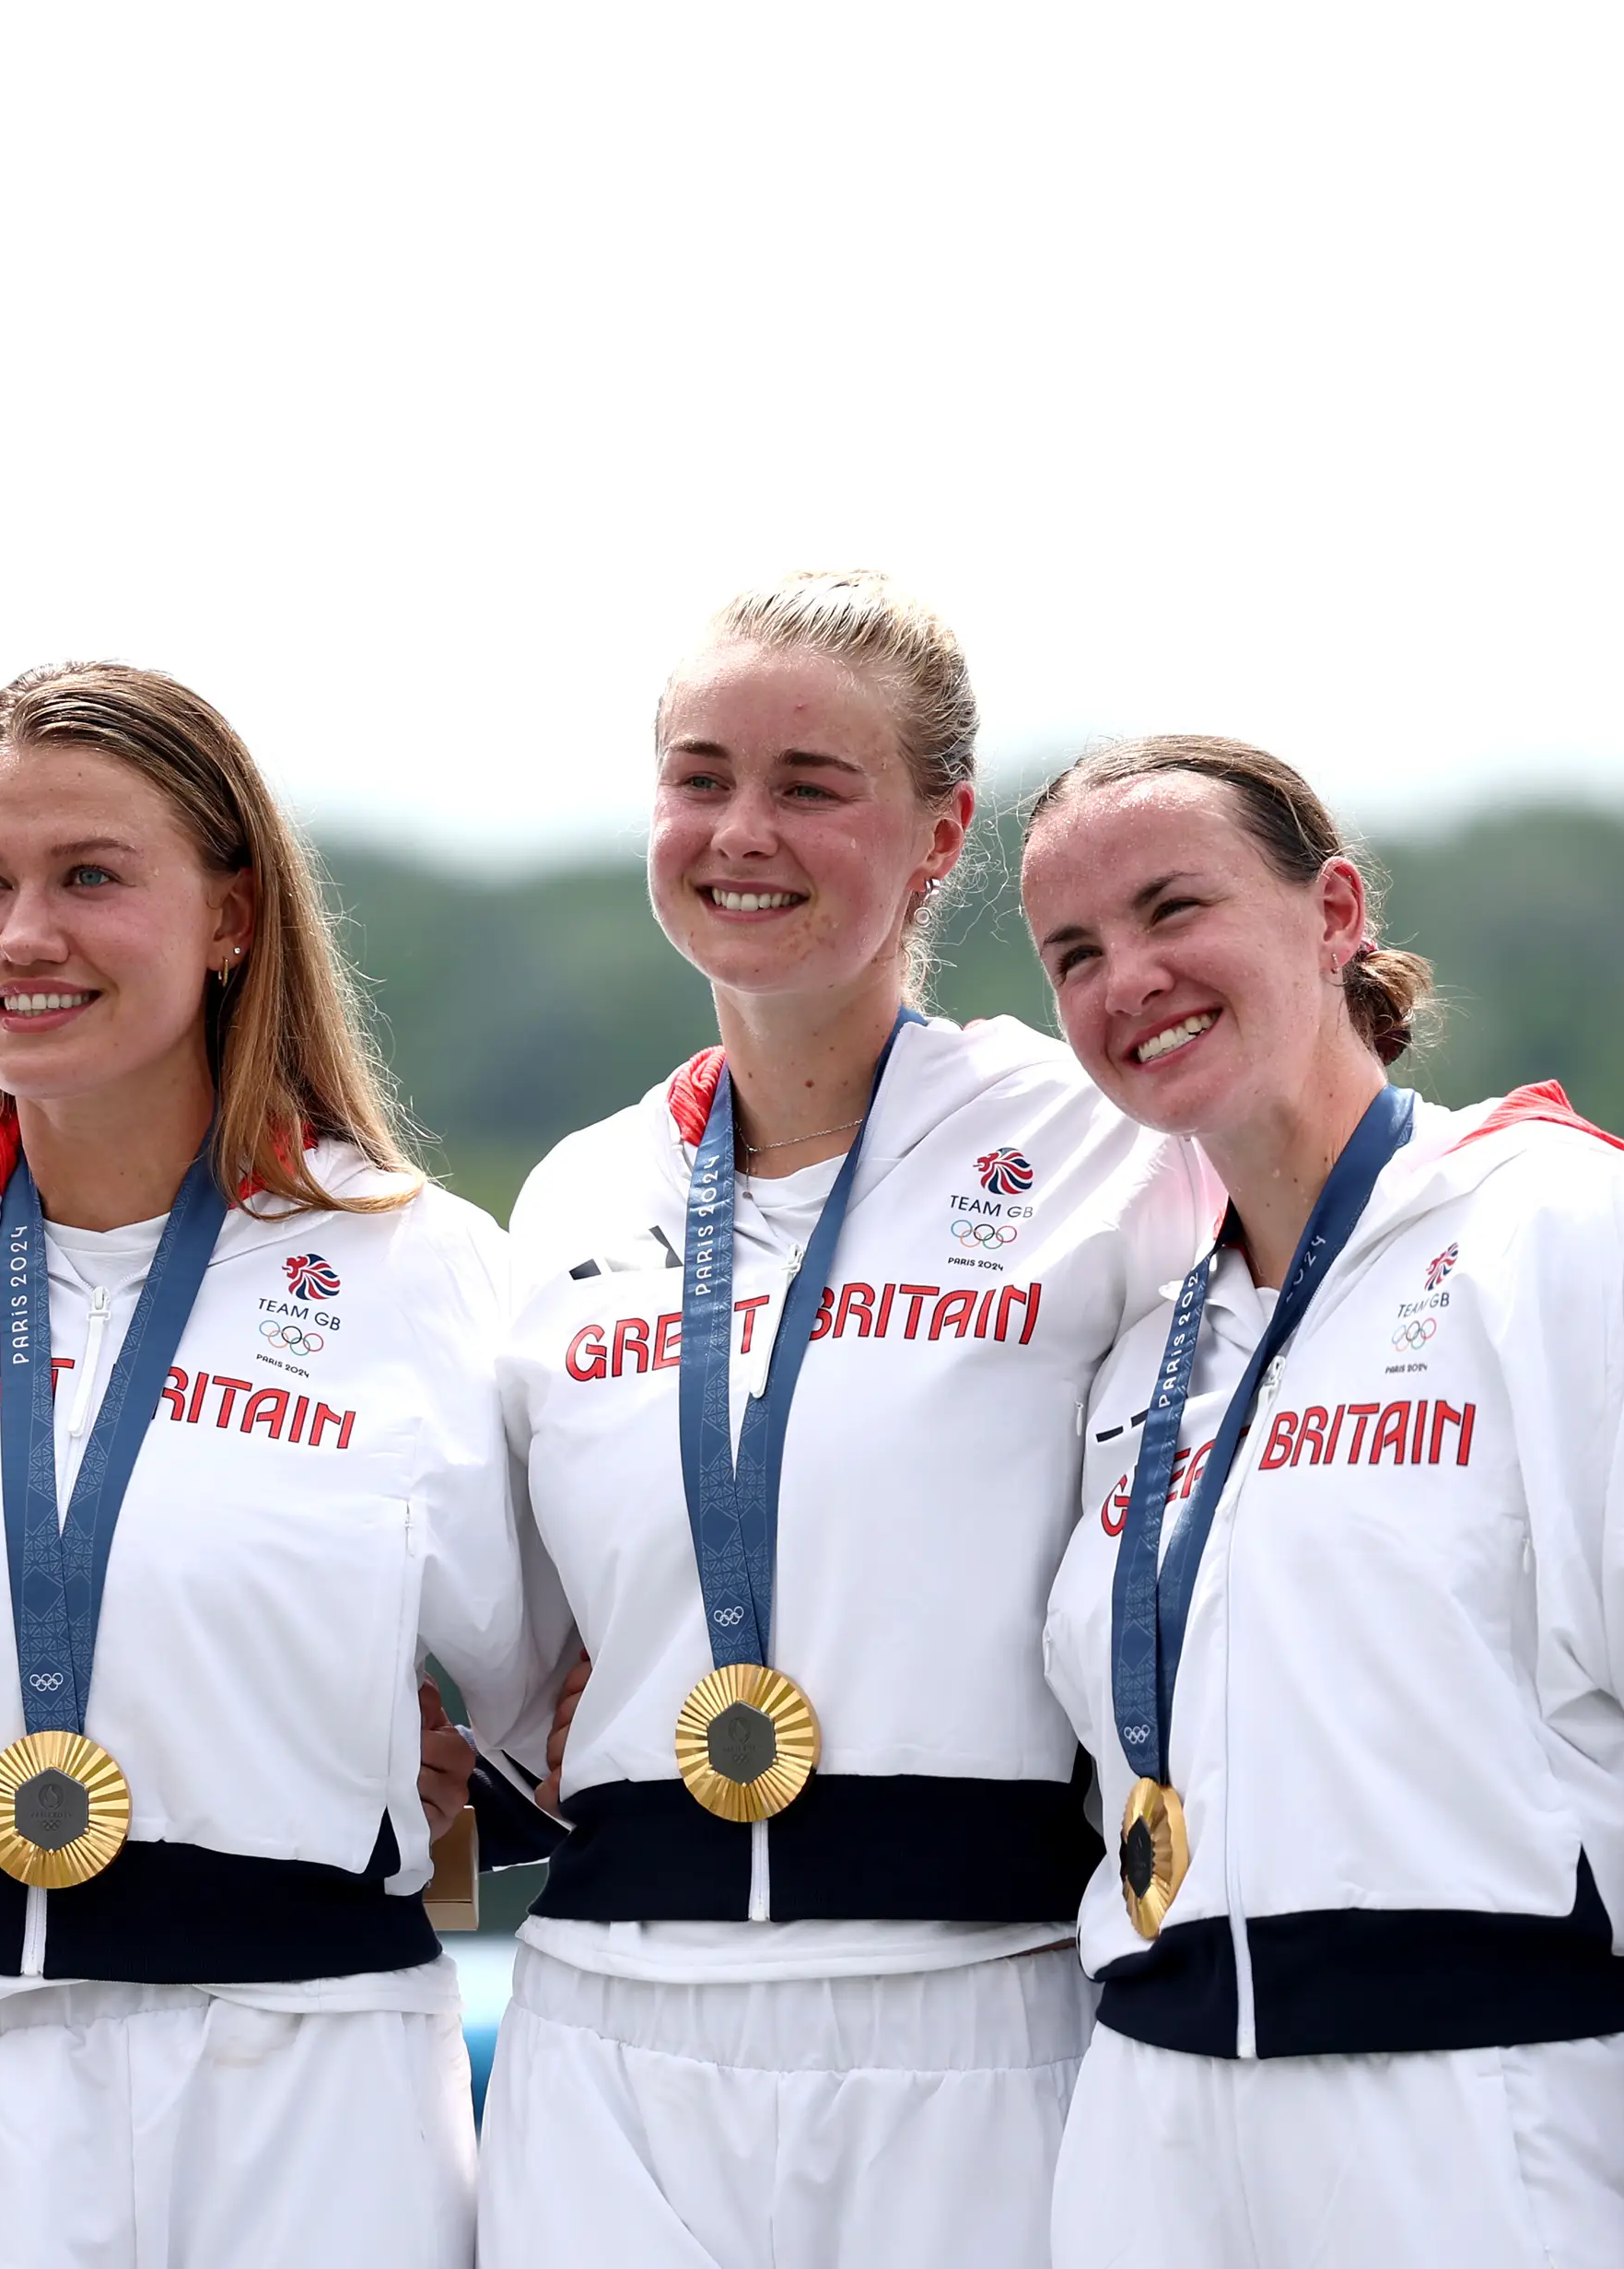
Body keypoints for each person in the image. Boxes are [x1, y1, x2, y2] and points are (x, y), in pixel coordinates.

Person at [1020, 734, 1624, 2269]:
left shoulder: (1574, 1231)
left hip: (1489, 2131)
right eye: (1075, 953)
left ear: (1333, 912)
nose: (1129, 979)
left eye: (1174, 908)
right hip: (1149, 2142)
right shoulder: (1141, 1351)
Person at [0, 661, 549, 2269]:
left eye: (89, 877)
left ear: (232, 918)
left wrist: (364, 1743)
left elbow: (552, 1692)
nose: (22, 934)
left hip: (303, 2077)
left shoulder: (415, 1261)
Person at [482, 573, 1220, 2269]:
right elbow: (511, 1624)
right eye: (700, 777)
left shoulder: (1103, 1139)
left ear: (942, 833)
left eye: (811, 785)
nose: (743, 830)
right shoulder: (576, 1191)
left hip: (984, 2009)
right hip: (609, 2024)